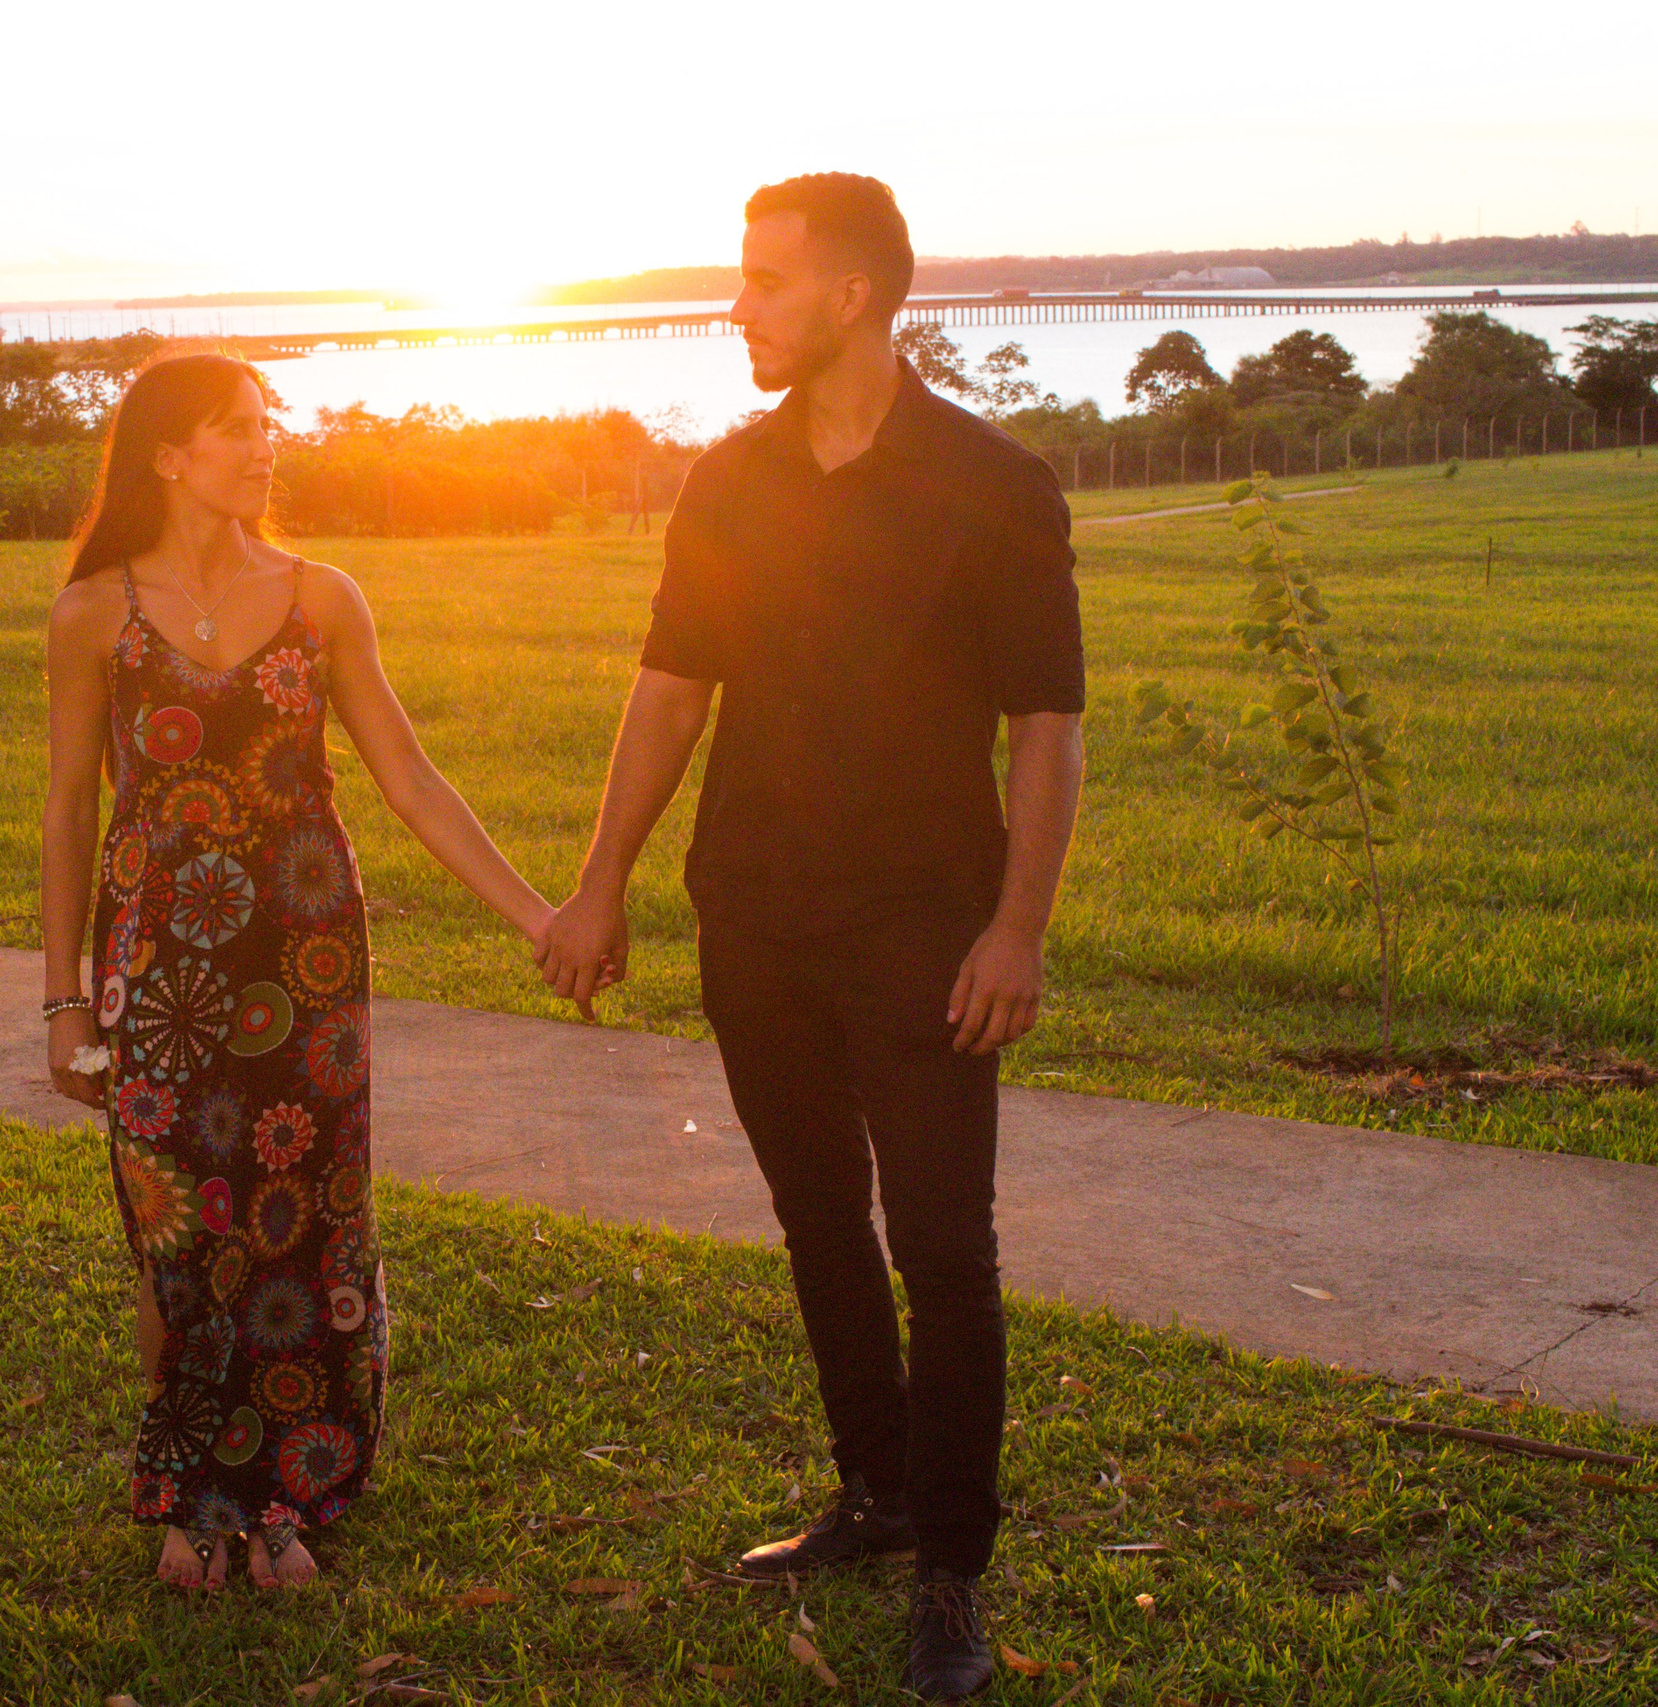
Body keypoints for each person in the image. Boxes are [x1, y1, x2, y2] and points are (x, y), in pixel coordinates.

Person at [536, 174, 1085, 1699]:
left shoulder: (994, 482)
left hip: (925, 926)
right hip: (756, 914)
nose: (738, 305)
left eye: (765, 280)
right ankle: (877, 1490)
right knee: (818, 1220)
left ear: (853, 295)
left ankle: (954, 1573)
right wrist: (602, 882)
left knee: (944, 1244)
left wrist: (1017, 927)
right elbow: (669, 690)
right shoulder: (730, 481)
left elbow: (1047, 726)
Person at [41, 354, 553, 1594]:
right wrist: (61, 999)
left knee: (301, 1224)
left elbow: (411, 781)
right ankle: (190, 1485)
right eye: (237, 431)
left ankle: (286, 1491)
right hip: (157, 963)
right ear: (168, 455)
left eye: (268, 428)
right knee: (176, 1220)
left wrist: (539, 917)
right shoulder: (92, 614)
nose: (266, 449)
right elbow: (67, 810)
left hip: (308, 954)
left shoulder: (324, 600)